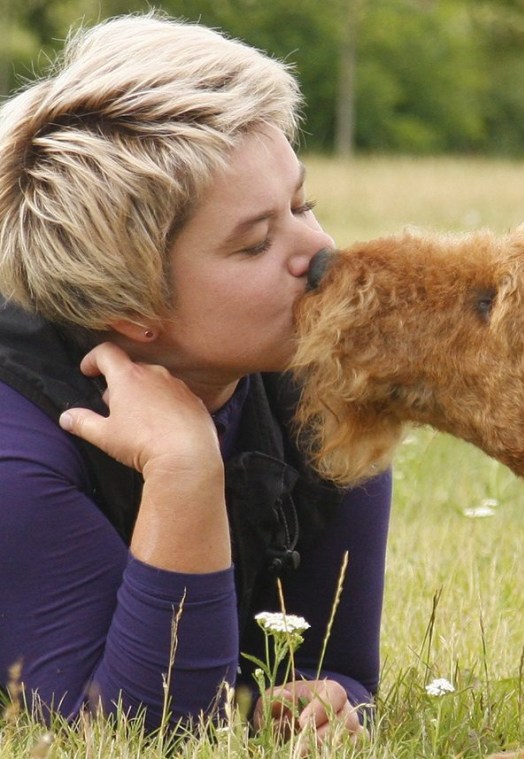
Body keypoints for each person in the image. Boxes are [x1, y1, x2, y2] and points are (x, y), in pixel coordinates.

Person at [0, 12, 391, 743]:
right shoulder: (16, 447)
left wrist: (335, 699)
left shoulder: (324, 393)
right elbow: (147, 736)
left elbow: (337, 665)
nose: (322, 251)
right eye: (255, 243)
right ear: (130, 306)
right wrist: (184, 473)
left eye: (302, 205)